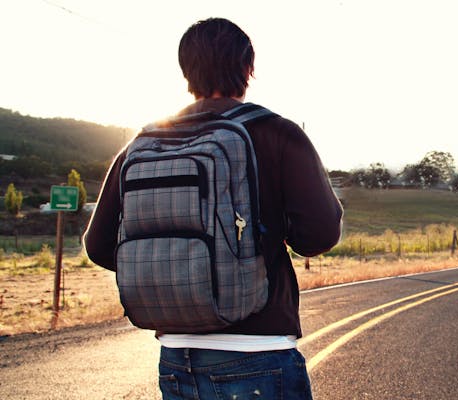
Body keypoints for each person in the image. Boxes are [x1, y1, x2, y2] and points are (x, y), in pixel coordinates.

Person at [84, 17, 343, 400]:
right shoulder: (277, 132)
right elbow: (320, 234)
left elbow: (98, 245)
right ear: (248, 68)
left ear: (185, 71)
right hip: (259, 352)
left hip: (175, 357)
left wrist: (173, 273)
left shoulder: (145, 140)